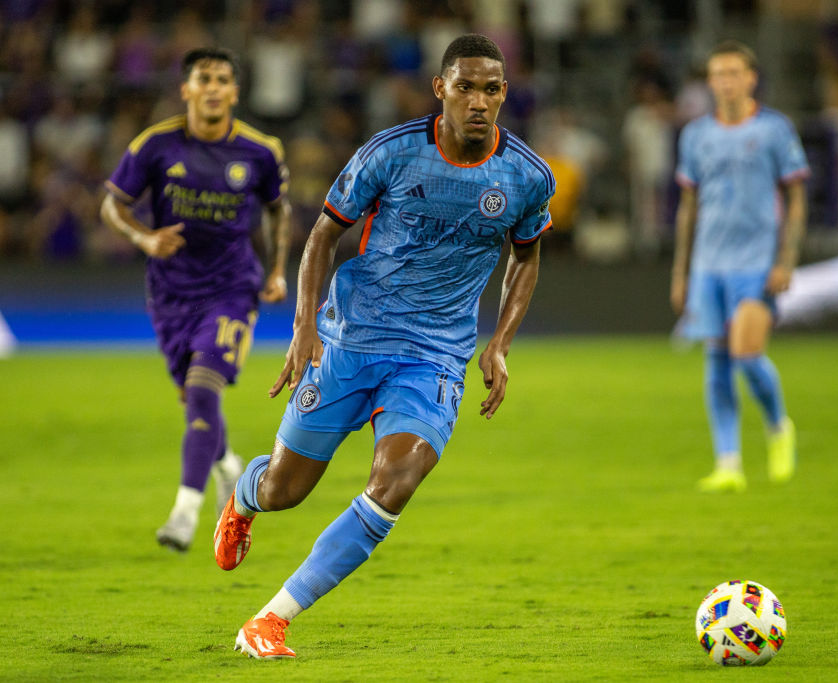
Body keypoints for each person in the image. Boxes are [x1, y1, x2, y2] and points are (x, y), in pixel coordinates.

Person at [213, 33, 554, 659]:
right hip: (351, 339)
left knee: (396, 479)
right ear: (440, 90)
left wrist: (499, 343)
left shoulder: (528, 177)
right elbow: (322, 236)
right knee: (286, 489)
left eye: (492, 89)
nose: (479, 101)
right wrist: (303, 328)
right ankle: (243, 496)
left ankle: (271, 619)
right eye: (466, 87)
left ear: (505, 94)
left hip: (435, 356)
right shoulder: (391, 154)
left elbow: (526, 258)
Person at [100, 47, 292, 550]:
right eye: (203, 78)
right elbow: (112, 206)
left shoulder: (259, 151)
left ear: (234, 92)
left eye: (223, 79)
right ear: (186, 89)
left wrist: (275, 270)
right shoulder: (155, 146)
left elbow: (279, 210)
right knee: (193, 397)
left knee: (205, 388)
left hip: (232, 288)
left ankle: (185, 512)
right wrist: (143, 237)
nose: (213, 87)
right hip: (171, 291)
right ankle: (229, 468)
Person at [669, 40, 808, 493]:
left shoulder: (774, 129)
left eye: (734, 73)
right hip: (710, 263)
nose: (726, 82)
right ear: (709, 82)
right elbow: (688, 206)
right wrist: (681, 272)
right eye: (718, 74)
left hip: (757, 260)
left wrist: (786, 260)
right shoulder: (695, 135)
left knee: (747, 355)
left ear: (751, 78)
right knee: (717, 359)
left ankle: (777, 426)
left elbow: (796, 197)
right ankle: (728, 463)